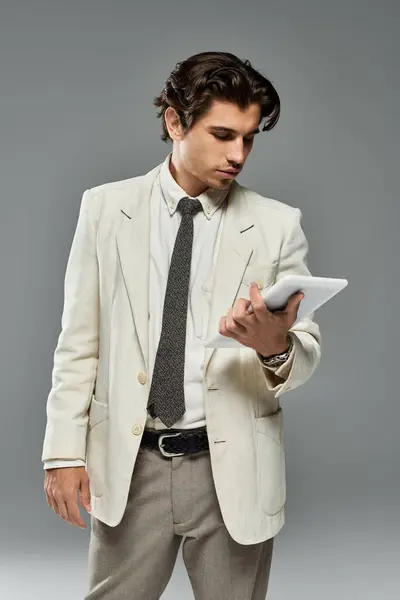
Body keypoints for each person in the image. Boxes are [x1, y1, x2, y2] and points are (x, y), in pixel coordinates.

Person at [42, 51, 321, 599]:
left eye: (248, 138)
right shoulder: (104, 210)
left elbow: (306, 350)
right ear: (175, 121)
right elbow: (78, 341)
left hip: (231, 470)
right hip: (131, 463)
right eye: (222, 134)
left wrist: (275, 348)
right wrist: (63, 453)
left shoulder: (277, 226)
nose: (238, 154)